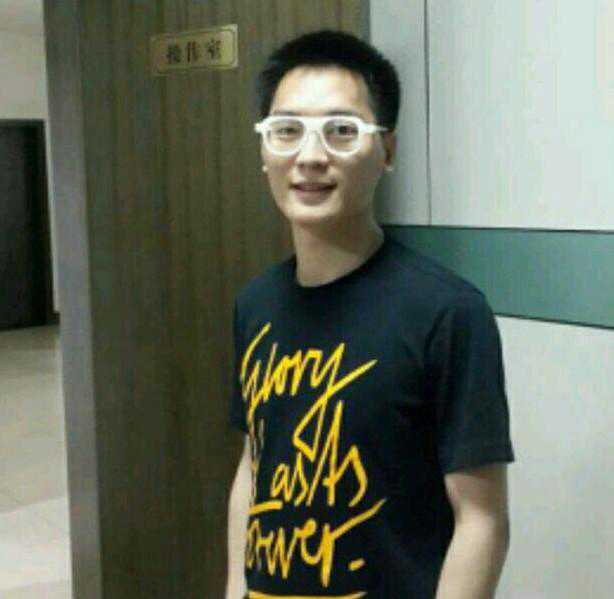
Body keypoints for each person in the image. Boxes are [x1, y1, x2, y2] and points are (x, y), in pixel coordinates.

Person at [226, 29, 515, 599]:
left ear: (386, 150)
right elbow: (254, 464)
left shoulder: (447, 313)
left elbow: (481, 520)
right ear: (264, 150)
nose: (311, 156)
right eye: (287, 130)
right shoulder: (255, 304)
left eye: (342, 130)